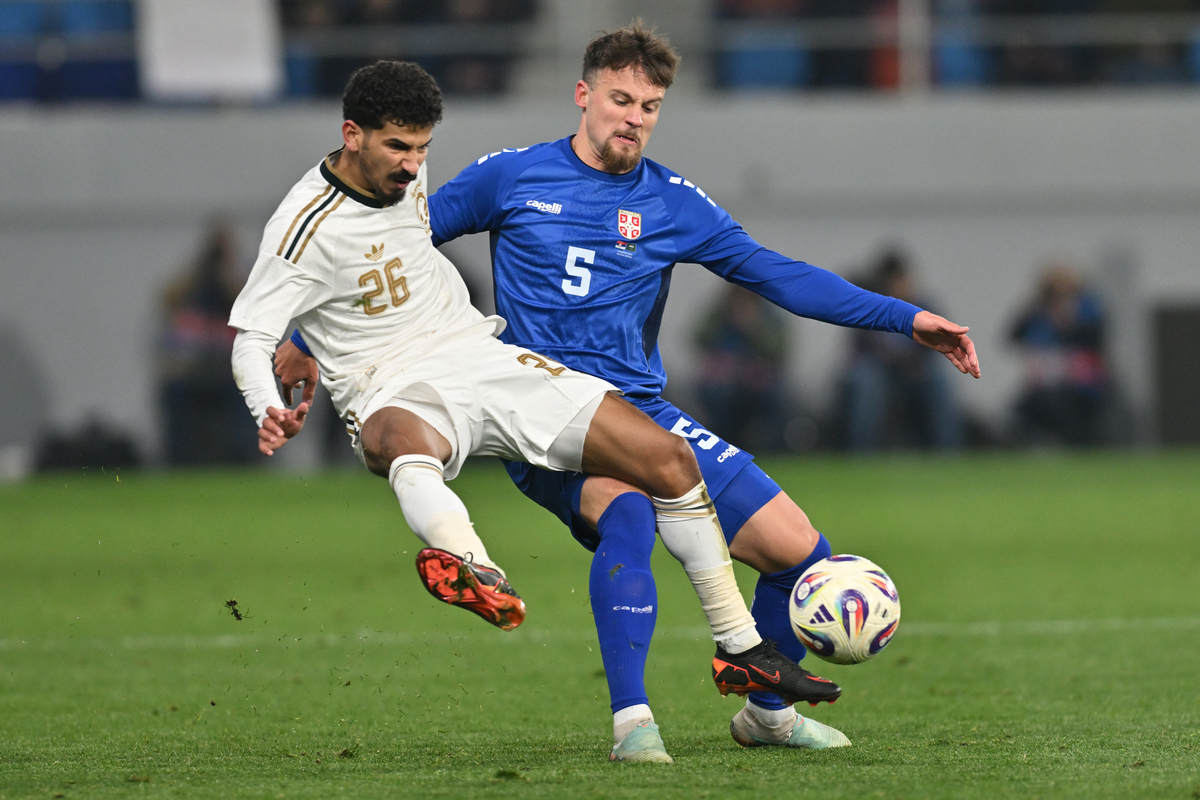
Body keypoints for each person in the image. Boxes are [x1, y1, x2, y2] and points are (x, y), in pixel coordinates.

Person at [279, 25, 979, 759]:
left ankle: (766, 716)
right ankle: (632, 723)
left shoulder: (673, 203)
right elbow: (394, 246)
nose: (634, 117)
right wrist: (308, 336)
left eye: (649, 105)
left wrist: (907, 319)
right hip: (537, 412)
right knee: (631, 517)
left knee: (799, 551)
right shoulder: (511, 178)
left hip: (640, 410)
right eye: (620, 99)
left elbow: (779, 274)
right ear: (584, 97)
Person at [841, 249, 963, 452]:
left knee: (940, 381)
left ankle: (948, 452)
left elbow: (940, 342)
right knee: (866, 382)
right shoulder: (873, 306)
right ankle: (862, 452)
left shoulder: (924, 307)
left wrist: (912, 360)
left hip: (917, 370)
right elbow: (864, 344)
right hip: (881, 370)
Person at [1008, 260, 1109, 446]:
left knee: (1074, 415)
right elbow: (1013, 335)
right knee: (1024, 412)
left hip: (1080, 382)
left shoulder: (1086, 307)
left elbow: (1097, 337)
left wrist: (1068, 324)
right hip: (1044, 380)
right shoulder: (1037, 311)